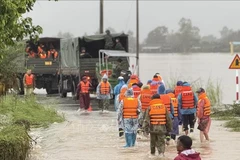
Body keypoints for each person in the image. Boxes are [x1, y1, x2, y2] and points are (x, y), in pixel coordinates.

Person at [143, 94, 172, 158]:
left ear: (152, 99)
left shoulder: (150, 107)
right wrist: (169, 129)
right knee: (161, 142)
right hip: (162, 128)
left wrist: (145, 129)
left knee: (152, 143)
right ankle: (161, 154)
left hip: (153, 128)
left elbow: (146, 120)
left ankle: (152, 155)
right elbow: (168, 119)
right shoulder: (164, 107)